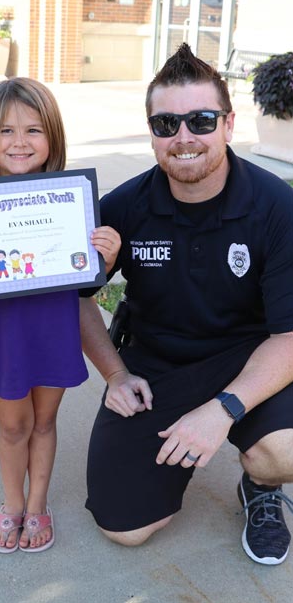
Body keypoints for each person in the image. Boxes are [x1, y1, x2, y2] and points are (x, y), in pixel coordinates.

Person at [80, 43, 293, 566]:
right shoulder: (122, 207)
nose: (184, 138)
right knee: (124, 529)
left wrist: (222, 411)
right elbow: (78, 301)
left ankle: (260, 485)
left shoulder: (277, 206)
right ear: (150, 131)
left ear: (228, 124)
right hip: (156, 367)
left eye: (200, 120)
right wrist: (113, 374)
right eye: (165, 124)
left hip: (249, 358)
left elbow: (289, 336)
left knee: (284, 451)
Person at [0, 77, 121, 553]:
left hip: (52, 331)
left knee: (44, 421)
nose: (19, 142)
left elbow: (86, 281)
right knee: (13, 425)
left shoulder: (70, 201)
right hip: (0, 336)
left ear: (53, 137)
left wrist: (107, 256)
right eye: (6, 132)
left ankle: (37, 505)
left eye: (33, 130)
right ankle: (12, 503)